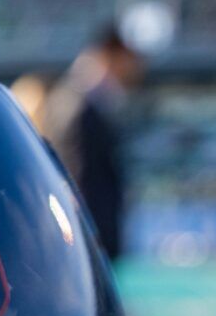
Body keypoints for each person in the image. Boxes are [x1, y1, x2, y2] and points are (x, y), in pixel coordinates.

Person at [43, 24, 143, 260]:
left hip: (89, 234)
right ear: (114, 54)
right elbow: (78, 177)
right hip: (87, 236)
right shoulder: (79, 104)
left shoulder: (86, 100)